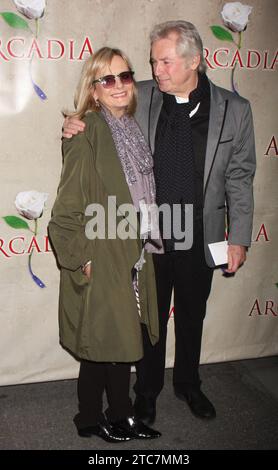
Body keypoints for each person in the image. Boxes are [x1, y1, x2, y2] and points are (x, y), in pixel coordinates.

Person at [62, 21, 256, 424]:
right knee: (147, 317)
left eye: (166, 61)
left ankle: (189, 384)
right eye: (153, 61)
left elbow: (240, 176)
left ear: (195, 61)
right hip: (147, 233)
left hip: (199, 231)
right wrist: (71, 126)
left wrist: (238, 237)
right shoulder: (141, 95)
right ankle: (146, 391)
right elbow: (97, 115)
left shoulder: (235, 111)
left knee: (190, 314)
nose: (157, 70)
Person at [48, 46, 162, 442]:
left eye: (125, 76)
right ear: (93, 89)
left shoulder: (131, 127)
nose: (118, 85)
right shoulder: (88, 130)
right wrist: (81, 259)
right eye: (107, 79)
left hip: (132, 252)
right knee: (104, 341)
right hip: (100, 253)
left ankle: (115, 416)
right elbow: (65, 211)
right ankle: (95, 417)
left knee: (116, 341)